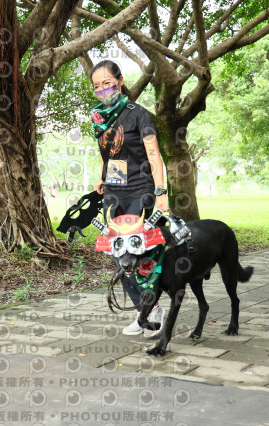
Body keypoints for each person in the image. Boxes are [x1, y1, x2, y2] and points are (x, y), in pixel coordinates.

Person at [89, 59, 169, 338]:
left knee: (138, 250)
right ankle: (143, 311)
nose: (102, 90)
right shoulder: (99, 117)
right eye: (96, 87)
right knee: (116, 252)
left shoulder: (139, 115)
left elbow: (153, 154)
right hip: (114, 191)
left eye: (107, 83)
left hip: (140, 190)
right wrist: (102, 175)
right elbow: (107, 155)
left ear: (120, 81)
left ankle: (153, 309)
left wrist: (160, 192)